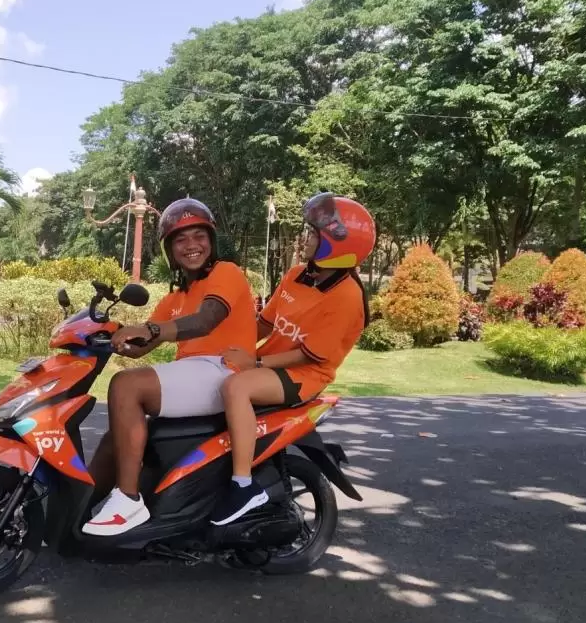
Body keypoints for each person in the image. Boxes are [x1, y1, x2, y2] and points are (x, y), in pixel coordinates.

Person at [82, 198, 257, 537]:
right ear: (169, 249)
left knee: (126, 386)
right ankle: (77, 510)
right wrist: (111, 334)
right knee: (112, 440)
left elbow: (207, 320)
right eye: (181, 239)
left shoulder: (227, 273)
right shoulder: (175, 298)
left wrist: (151, 330)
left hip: (225, 371)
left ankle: (128, 501)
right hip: (196, 373)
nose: (191, 245)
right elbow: (144, 344)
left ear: (211, 240)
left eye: (198, 236)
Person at [211, 192, 375, 526]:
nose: (304, 238)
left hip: (305, 375)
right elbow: (263, 324)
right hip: (271, 363)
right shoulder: (298, 275)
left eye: (313, 234)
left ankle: (243, 485)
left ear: (337, 246)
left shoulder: (347, 296)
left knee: (236, 389)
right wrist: (221, 345)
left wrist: (254, 365)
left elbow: (307, 354)